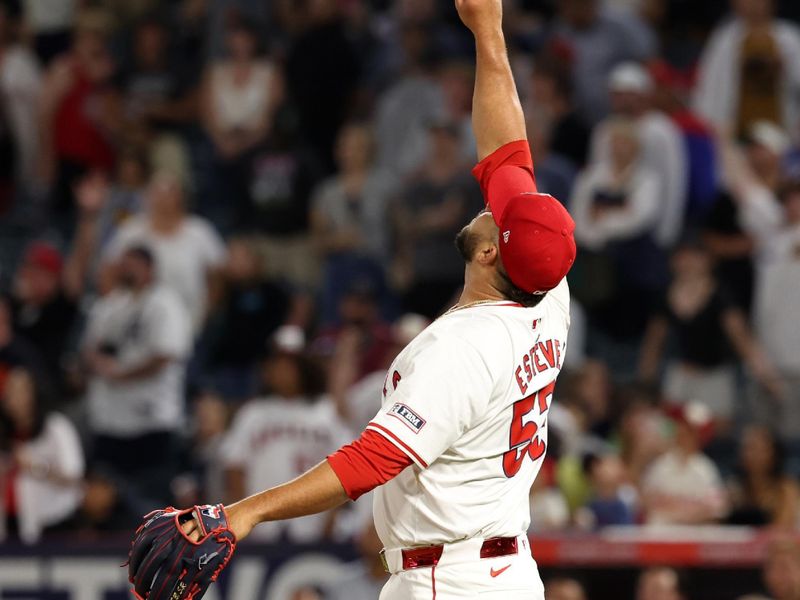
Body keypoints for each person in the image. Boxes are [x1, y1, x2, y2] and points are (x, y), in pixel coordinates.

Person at [170, 2, 576, 599]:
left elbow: (372, 462)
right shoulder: (548, 289)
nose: (494, 203)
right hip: (504, 573)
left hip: (449, 580)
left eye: (499, 217)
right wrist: (488, 31)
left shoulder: (461, 348)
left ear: (489, 256)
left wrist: (242, 514)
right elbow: (508, 152)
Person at [82, 245, 192, 506]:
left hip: (152, 421)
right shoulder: (109, 305)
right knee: (106, 500)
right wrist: (99, 364)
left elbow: (165, 354)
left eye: (134, 263)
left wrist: (121, 374)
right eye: (124, 263)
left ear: (149, 268)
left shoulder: (165, 303)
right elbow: (90, 349)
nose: (127, 268)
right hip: (110, 420)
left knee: (154, 500)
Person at [103, 169, 226, 333]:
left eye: (168, 192)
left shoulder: (200, 231)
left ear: (181, 197)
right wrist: (116, 311)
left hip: (187, 325)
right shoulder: (131, 231)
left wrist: (206, 312)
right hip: (134, 327)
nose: (162, 198)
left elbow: (218, 276)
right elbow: (107, 271)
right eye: (156, 191)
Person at [693, 0, 800, 140]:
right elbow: (708, 88)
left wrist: (785, 67)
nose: (753, 4)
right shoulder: (724, 39)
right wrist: (711, 126)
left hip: (783, 130)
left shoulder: (790, 37)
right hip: (733, 131)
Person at [0, 368, 84, 543]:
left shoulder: (56, 427)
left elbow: (74, 476)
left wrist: (35, 467)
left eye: (20, 391)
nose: (13, 398)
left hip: (56, 525)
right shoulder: (5, 433)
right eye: (9, 391)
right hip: (14, 526)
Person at [641, 403, 728, 525]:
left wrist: (686, 516)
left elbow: (717, 510)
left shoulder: (706, 469)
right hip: (662, 536)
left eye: (688, 431)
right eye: (681, 428)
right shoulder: (660, 466)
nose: (683, 435)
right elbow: (645, 502)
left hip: (694, 536)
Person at [727, 425, 800, 528]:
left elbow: (784, 528)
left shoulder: (786, 489)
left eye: (756, 448)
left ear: (773, 452)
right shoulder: (734, 489)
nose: (751, 455)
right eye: (747, 448)